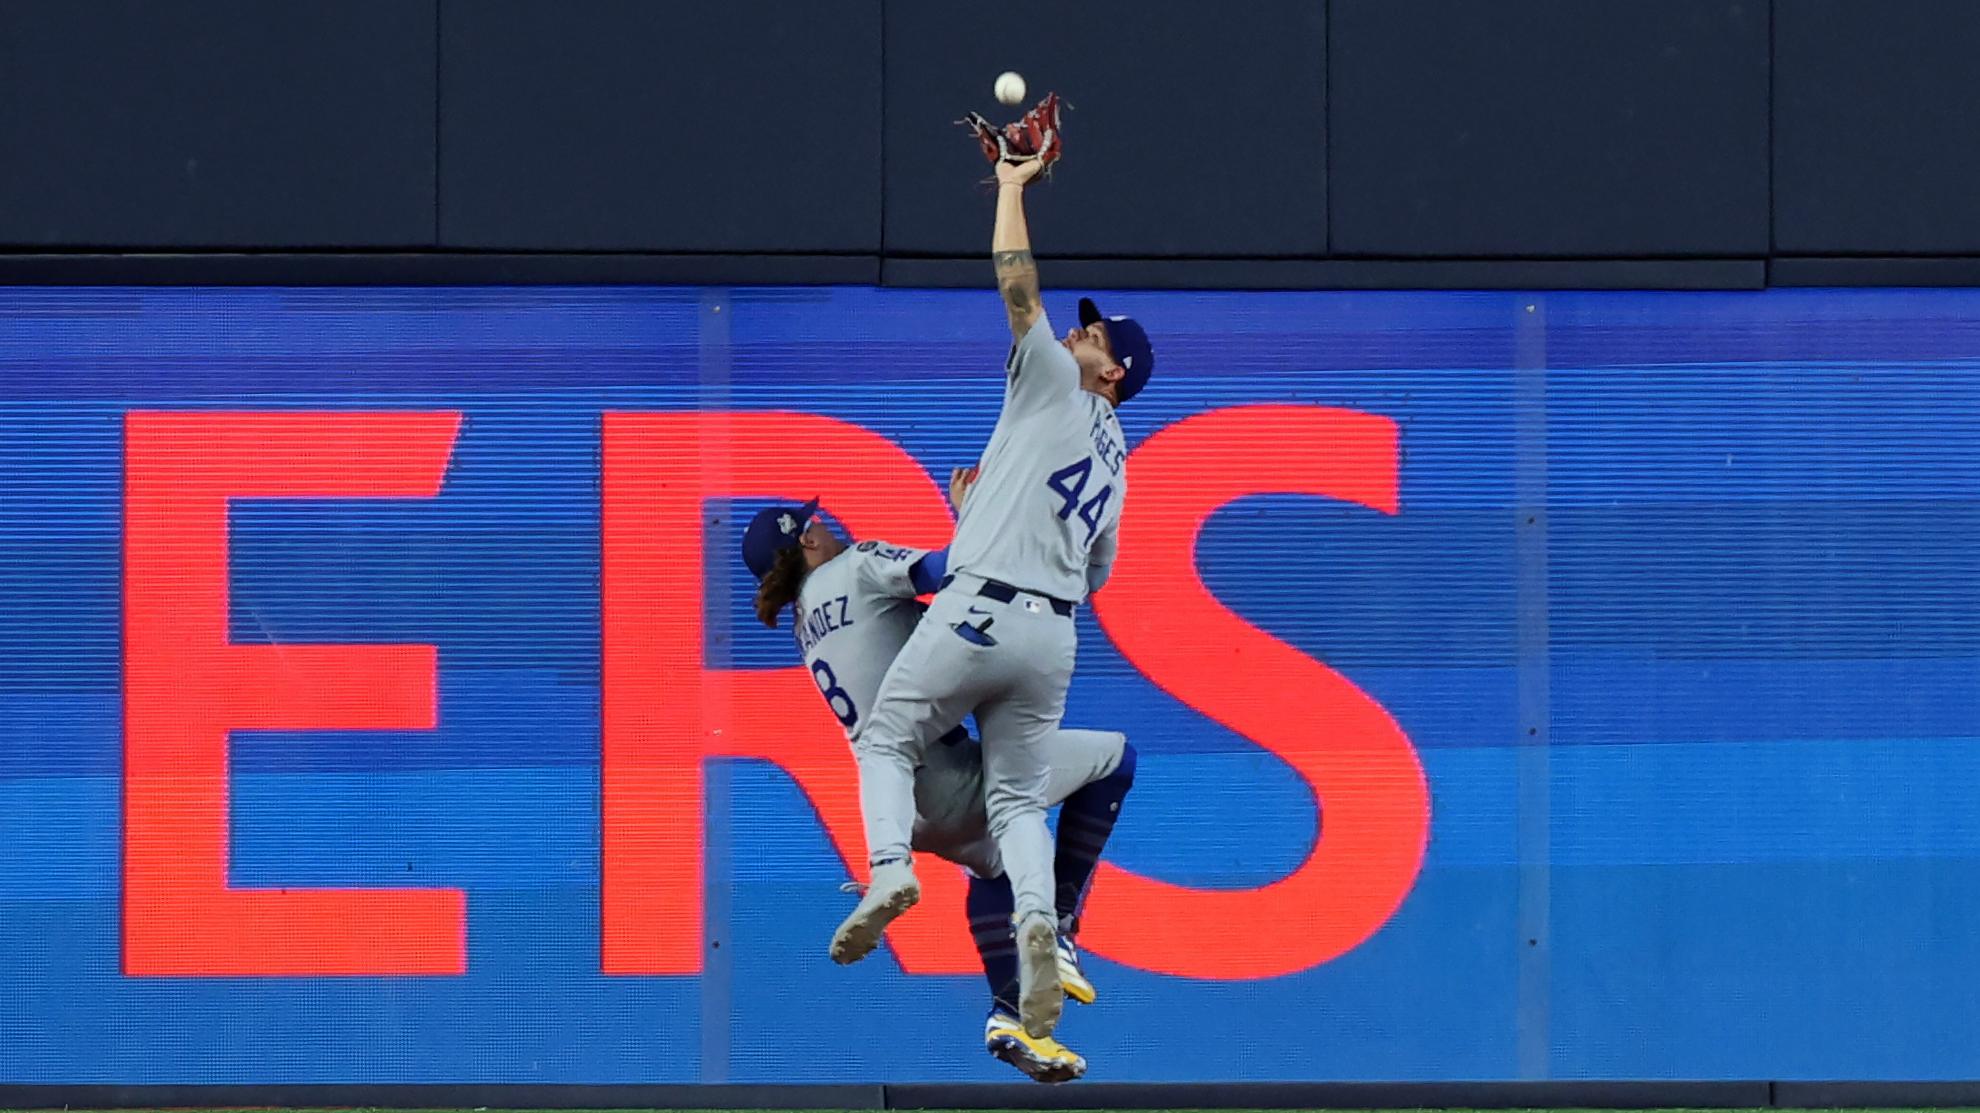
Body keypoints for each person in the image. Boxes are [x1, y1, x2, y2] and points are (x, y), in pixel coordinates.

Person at [831, 146, 1156, 1039]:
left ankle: (890, 866)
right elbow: (1096, 571)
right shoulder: (1120, 467)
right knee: (1016, 802)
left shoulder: (1054, 374)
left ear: (1112, 370)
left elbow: (1017, 286)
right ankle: (1038, 920)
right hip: (1053, 637)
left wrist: (1012, 188)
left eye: (1096, 335)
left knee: (889, 734)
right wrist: (986, 518)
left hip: (980, 608)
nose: (1080, 333)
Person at [741, 497, 1137, 1084]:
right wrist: (975, 510)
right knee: (1115, 758)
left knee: (996, 868)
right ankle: (1059, 927)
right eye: (816, 522)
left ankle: (1009, 1018)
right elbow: (953, 570)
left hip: (905, 807)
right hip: (954, 776)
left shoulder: (806, 619)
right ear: (805, 540)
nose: (829, 524)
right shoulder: (856, 565)